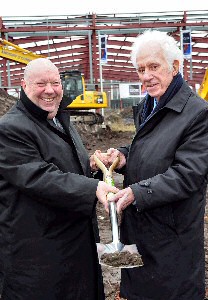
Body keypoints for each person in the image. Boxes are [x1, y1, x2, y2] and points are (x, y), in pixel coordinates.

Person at [92, 30, 208, 300]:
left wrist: (136, 192)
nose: (145, 76)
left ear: (175, 67)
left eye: (154, 67)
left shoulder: (197, 114)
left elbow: (188, 174)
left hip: (171, 236)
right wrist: (122, 157)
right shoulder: (150, 105)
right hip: (142, 228)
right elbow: (150, 151)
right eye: (141, 69)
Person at [0, 58, 118, 300]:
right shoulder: (11, 128)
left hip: (69, 244)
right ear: (23, 85)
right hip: (37, 253)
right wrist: (92, 186)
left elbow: (63, 165)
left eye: (55, 83)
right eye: (41, 83)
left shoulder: (57, 118)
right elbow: (38, 176)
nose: (50, 90)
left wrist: (92, 167)